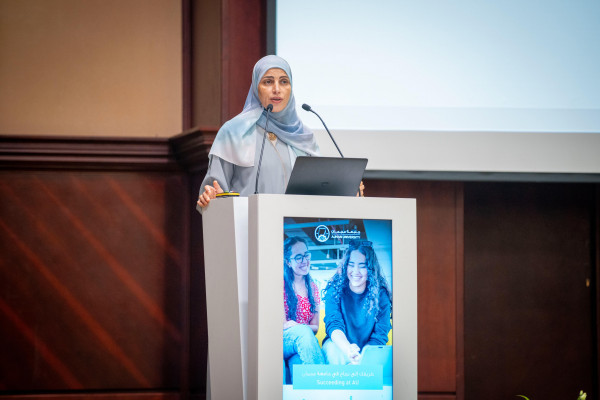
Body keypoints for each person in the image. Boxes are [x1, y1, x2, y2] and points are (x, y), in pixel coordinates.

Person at [197, 55, 320, 208]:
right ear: (256, 87)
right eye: (268, 82)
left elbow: (317, 193)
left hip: (294, 230)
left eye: (284, 82)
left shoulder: (303, 137)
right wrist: (211, 197)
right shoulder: (234, 132)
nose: (276, 89)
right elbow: (214, 190)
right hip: (246, 228)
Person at [322, 239, 391, 365]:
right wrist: (348, 349)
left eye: (362, 266)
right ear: (345, 266)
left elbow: (380, 335)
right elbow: (334, 324)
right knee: (333, 350)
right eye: (351, 264)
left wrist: (362, 357)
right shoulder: (334, 291)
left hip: (368, 349)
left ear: (370, 269)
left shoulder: (381, 296)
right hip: (339, 346)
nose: (355, 271)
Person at [283, 236, 325, 380]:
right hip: (282, 341)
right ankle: (325, 389)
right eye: (298, 257)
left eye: (306, 255)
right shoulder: (280, 284)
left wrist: (298, 326)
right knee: (303, 332)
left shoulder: (313, 287)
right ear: (288, 262)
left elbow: (315, 327)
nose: (305, 261)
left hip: (303, 343)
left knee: (302, 373)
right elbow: (283, 325)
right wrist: (302, 328)